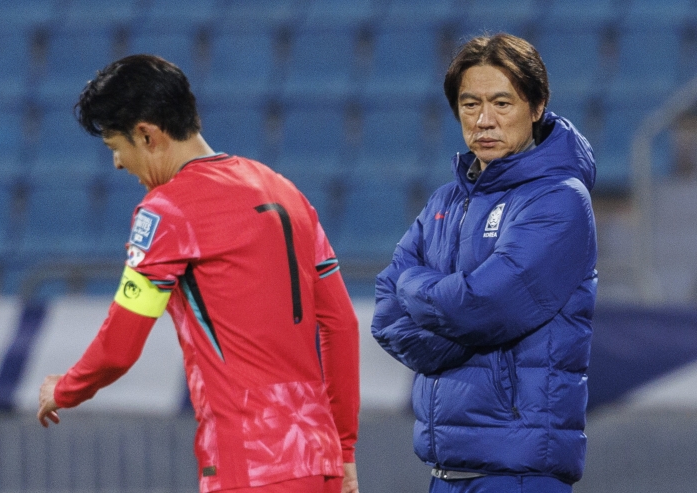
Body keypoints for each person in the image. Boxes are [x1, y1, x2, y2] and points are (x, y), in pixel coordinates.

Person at [36, 54, 361, 493]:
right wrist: (342, 452)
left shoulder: (167, 211)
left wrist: (65, 388)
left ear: (147, 135)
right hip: (317, 460)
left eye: (117, 148)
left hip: (248, 464)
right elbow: (341, 326)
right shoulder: (284, 190)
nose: (117, 164)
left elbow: (120, 346)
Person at [371, 33, 597, 493]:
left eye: (502, 103)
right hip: (445, 472)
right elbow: (385, 315)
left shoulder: (559, 200)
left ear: (537, 107)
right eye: (470, 104)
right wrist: (459, 316)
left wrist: (418, 288)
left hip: (518, 474)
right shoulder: (444, 200)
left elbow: (483, 308)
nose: (484, 121)